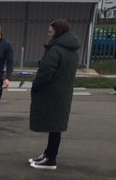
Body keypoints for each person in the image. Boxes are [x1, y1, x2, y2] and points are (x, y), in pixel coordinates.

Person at [29, 18, 81, 170]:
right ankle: (48, 154)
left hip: (52, 93)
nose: (48, 34)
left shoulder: (56, 50)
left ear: (57, 32)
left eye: (50, 31)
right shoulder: (72, 50)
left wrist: (35, 86)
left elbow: (45, 73)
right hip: (63, 93)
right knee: (55, 126)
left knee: (54, 127)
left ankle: (51, 159)